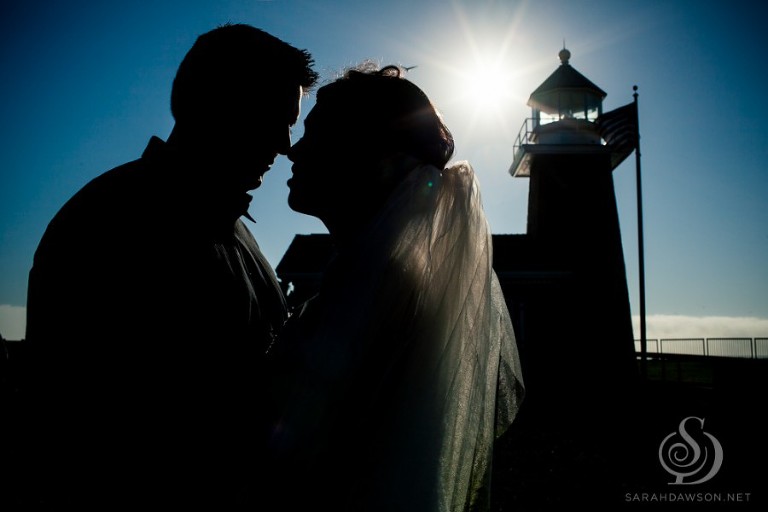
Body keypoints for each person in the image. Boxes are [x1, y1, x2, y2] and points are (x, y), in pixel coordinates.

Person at [17, 23, 318, 508]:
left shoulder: (241, 233)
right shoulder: (113, 222)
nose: (285, 145)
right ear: (212, 103)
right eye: (272, 117)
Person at [266, 63, 525, 511]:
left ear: (365, 157)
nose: (294, 151)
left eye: (316, 134)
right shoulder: (378, 281)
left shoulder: (373, 296)